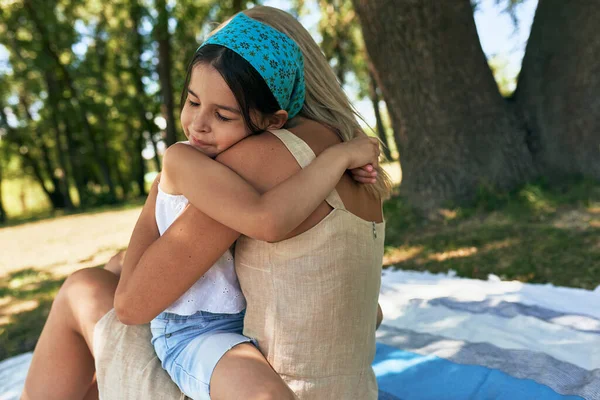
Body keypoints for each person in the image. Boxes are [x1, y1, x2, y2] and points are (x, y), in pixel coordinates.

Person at [22, 6, 391, 400]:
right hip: (330, 380)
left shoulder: (265, 155)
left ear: (271, 117)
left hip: (237, 367)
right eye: (193, 102)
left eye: (224, 113)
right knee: (109, 279)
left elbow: (131, 304)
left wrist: (161, 188)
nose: (199, 123)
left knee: (83, 287)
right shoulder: (350, 157)